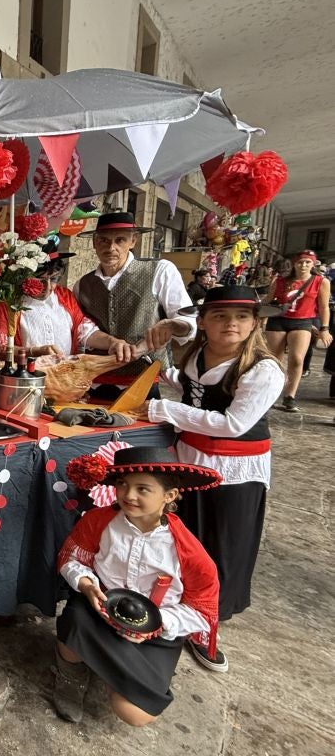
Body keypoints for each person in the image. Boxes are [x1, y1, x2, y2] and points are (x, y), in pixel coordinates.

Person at [144, 285, 283, 671]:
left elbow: (234, 424)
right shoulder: (197, 354)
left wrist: (164, 410)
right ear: (202, 322)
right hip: (190, 457)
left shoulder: (263, 369)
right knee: (189, 537)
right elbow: (190, 385)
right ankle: (180, 603)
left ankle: (207, 623)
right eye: (220, 316)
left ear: (255, 323)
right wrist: (150, 369)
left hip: (234, 470)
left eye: (241, 317)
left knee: (223, 545)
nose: (231, 324)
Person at [54, 447, 221, 726]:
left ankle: (110, 671)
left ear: (169, 496)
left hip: (154, 632)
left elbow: (202, 610)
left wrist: (158, 624)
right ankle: (70, 673)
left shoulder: (189, 552)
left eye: (143, 489)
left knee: (135, 715)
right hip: (99, 611)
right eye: (123, 485)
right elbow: (72, 558)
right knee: (74, 621)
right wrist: (85, 585)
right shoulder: (98, 521)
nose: (129, 496)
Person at [73, 212, 197, 397]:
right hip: (96, 382)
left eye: (120, 240)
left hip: (144, 380)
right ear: (94, 243)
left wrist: (172, 325)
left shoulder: (160, 270)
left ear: (133, 241)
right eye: (104, 241)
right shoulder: (82, 285)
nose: (111, 247)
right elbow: (82, 330)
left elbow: (189, 321)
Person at [0, 246, 133, 362]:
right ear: (24, 278)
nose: (48, 287)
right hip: (26, 381)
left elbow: (85, 331)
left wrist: (112, 342)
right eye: (40, 280)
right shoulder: (9, 304)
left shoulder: (65, 296)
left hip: (64, 381)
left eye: (54, 279)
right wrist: (35, 352)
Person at [264, 249, 332, 411]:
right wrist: (255, 312)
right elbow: (268, 300)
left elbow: (323, 306)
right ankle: (270, 393)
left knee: (297, 359)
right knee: (274, 360)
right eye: (300, 262)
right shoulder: (280, 281)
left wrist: (325, 328)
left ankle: (290, 396)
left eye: (307, 262)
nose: (303, 265)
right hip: (278, 320)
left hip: (302, 322)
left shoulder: (320, 281)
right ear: (294, 264)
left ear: (313, 264)